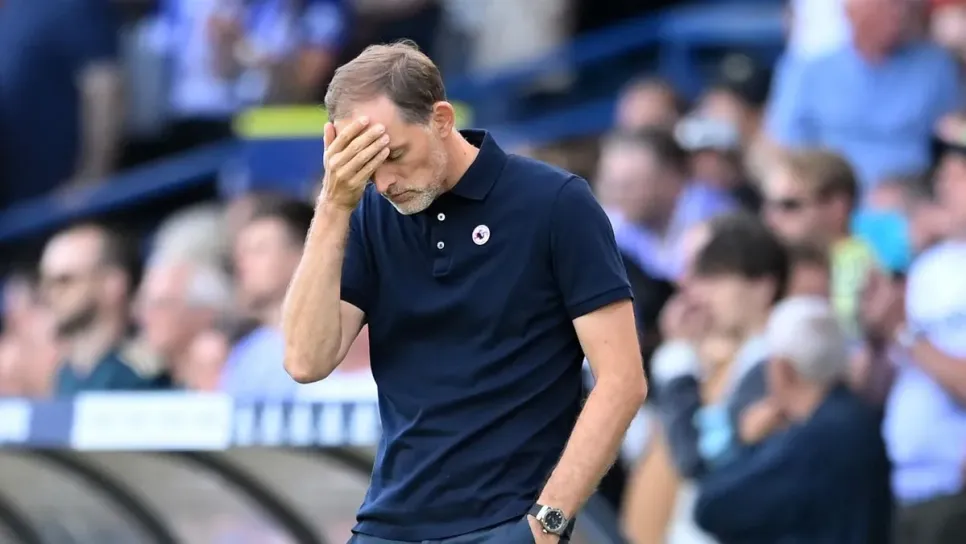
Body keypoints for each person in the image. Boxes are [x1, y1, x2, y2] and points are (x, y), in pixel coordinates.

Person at [281, 42, 646, 543]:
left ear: (442, 120)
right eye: (365, 165)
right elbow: (305, 360)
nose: (384, 182)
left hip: (504, 526)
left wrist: (548, 523)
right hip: (388, 525)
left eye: (395, 155)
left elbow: (622, 381)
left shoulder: (555, 203)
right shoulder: (364, 214)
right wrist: (333, 205)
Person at [694, 297, 892, 544]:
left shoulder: (817, 437)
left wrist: (750, 446)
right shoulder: (856, 416)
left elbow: (713, 507)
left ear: (783, 368)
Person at [766, 0, 963, 190]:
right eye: (882, 7)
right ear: (851, 15)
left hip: (914, 190)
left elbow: (955, 134)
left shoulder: (936, 66)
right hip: (830, 190)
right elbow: (785, 142)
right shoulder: (809, 70)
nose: (897, 13)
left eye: (899, 4)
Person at [39, 223, 171, 394]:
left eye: (65, 280)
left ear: (112, 283)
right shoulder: (65, 374)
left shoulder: (142, 376)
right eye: (46, 282)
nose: (48, 293)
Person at [221, 197, 314, 398]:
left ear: (303, 254)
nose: (243, 264)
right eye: (241, 253)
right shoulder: (247, 353)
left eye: (259, 250)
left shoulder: (342, 344)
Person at [135, 255, 233, 387]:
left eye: (161, 304)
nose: (146, 316)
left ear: (203, 313)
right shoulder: (147, 384)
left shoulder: (232, 379)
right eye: (146, 305)